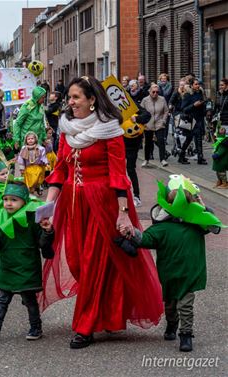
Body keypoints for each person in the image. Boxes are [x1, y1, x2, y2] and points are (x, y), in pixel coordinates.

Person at [40, 75, 163, 349]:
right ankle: (106, 311)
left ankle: (85, 326)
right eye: (69, 97)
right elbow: (60, 169)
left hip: (104, 205)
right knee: (76, 261)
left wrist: (122, 213)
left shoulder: (110, 130)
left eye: (75, 98)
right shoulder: (67, 128)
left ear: (92, 100)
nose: (70, 103)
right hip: (73, 205)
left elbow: (120, 175)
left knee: (94, 263)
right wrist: (48, 207)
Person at [115, 176, 223, 352]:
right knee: (170, 305)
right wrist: (130, 232)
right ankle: (172, 324)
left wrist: (202, 206)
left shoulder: (197, 224)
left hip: (190, 273)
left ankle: (186, 334)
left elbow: (214, 225)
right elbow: (145, 239)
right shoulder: (162, 228)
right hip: (169, 273)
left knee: (186, 305)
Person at [0, 182, 54, 341]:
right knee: (2, 299)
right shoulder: (0, 217)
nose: (8, 203)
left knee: (29, 299)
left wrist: (47, 231)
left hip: (27, 265)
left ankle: (35, 327)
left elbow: (42, 243)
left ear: (24, 201)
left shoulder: (32, 217)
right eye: (5, 199)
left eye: (13, 199)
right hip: (7, 266)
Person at [124, 108, 151, 207]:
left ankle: (136, 196)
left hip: (133, 144)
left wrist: (137, 118)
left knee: (130, 169)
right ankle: (120, 196)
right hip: (119, 141)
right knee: (117, 170)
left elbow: (147, 114)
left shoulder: (130, 104)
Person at [140, 84, 169, 167]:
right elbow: (141, 111)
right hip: (148, 124)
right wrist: (144, 122)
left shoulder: (162, 99)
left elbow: (166, 111)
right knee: (148, 143)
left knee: (161, 141)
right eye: (153, 92)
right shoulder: (145, 100)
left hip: (159, 123)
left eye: (157, 92)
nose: (155, 93)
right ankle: (146, 159)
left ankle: (162, 159)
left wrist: (163, 121)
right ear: (150, 91)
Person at [180, 79, 207, 165]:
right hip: (190, 120)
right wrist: (193, 105)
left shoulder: (200, 93)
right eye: (196, 84)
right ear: (191, 85)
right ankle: (181, 156)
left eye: (198, 84)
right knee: (189, 139)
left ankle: (200, 157)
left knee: (198, 139)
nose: (198, 86)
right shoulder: (188, 95)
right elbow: (184, 109)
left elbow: (202, 105)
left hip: (199, 119)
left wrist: (205, 109)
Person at [13, 86, 48, 150]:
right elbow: (18, 123)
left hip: (38, 139)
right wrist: (16, 139)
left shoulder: (41, 106)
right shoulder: (27, 106)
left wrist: (44, 137)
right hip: (27, 140)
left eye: (44, 97)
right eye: (42, 98)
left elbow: (41, 123)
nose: (44, 100)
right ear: (37, 97)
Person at [17, 131, 48, 196]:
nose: (30, 140)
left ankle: (37, 187)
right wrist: (21, 168)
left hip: (37, 167)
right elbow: (21, 158)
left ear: (35, 139)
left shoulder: (40, 148)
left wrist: (46, 163)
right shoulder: (24, 148)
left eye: (32, 138)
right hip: (28, 168)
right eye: (28, 139)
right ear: (26, 140)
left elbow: (43, 157)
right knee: (29, 180)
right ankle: (32, 190)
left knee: (36, 179)